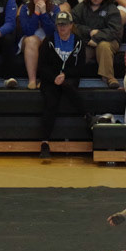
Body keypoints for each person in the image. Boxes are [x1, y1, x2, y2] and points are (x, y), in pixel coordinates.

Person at [36, 9, 85, 156]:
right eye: (59, 24)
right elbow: (41, 67)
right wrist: (54, 78)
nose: (62, 27)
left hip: (69, 78)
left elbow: (80, 68)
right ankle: (45, 142)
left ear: (71, 25)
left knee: (68, 85)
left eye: (65, 24)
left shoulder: (78, 42)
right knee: (50, 102)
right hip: (50, 80)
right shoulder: (48, 41)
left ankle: (87, 116)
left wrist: (65, 75)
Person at [73, 0, 122, 89]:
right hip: (87, 42)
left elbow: (115, 30)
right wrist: (89, 31)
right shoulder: (81, 7)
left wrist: (97, 37)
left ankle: (109, 78)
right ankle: (70, 77)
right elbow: (72, 25)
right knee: (78, 52)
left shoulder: (111, 8)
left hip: (110, 41)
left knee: (103, 46)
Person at [18, 0, 58, 90]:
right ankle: (32, 80)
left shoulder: (55, 8)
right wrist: (36, 13)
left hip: (47, 38)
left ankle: (45, 79)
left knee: (48, 41)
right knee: (32, 40)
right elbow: (28, 31)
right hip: (28, 40)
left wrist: (44, 13)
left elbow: (52, 32)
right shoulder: (25, 8)